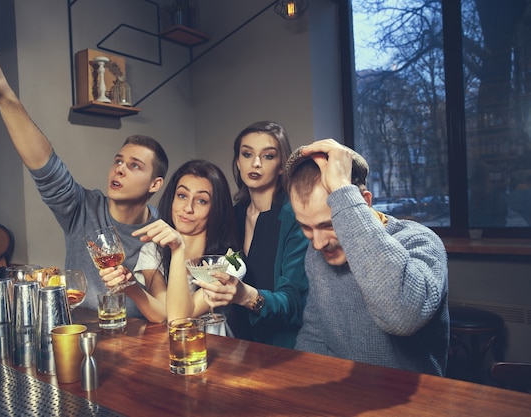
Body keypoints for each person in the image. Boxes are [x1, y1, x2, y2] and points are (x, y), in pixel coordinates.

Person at [0, 23, 168, 316]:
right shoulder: (82, 208)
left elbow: (170, 309)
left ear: (155, 184)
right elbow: (44, 163)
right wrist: (3, 94)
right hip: (81, 332)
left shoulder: (161, 230)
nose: (119, 169)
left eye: (134, 166)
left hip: (142, 342)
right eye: (118, 160)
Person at [285, 138, 449, 376]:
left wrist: (342, 191)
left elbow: (402, 316)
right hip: (347, 396)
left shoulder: (421, 241)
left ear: (363, 204)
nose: (318, 243)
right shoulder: (317, 254)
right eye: (306, 227)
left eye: (329, 224)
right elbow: (317, 334)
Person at [101, 160, 242, 323]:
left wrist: (178, 249)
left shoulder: (230, 262)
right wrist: (130, 286)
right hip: (174, 345)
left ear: (217, 209)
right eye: (182, 196)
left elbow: (179, 319)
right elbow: (164, 314)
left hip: (219, 346)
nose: (188, 208)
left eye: (202, 200)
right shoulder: (152, 251)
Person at [208, 121, 308, 348]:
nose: (255, 163)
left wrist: (246, 296)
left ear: (282, 165)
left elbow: (294, 303)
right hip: (236, 345)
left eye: (268, 156)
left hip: (283, 348)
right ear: (237, 161)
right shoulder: (233, 215)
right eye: (247, 154)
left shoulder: (296, 218)